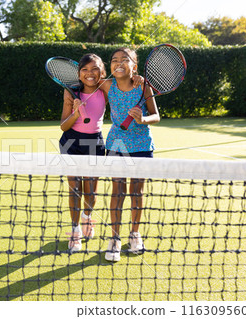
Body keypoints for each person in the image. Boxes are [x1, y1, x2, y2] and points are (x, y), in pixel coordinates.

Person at [99, 47, 160, 262]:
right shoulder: (107, 85)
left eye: (125, 60)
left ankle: (135, 234)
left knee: (137, 191)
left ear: (134, 65)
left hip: (142, 145)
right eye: (114, 60)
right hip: (117, 143)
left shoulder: (144, 86)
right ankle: (114, 238)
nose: (118, 63)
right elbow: (88, 79)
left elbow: (156, 115)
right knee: (118, 191)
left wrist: (143, 119)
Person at [59, 53, 107, 252]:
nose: (90, 73)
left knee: (91, 191)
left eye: (94, 68)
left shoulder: (105, 87)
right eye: (85, 69)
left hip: (94, 143)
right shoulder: (70, 92)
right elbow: (63, 125)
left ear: (102, 71)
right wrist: (76, 113)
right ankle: (75, 229)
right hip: (71, 141)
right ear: (79, 74)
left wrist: (136, 79)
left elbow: (126, 85)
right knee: (74, 188)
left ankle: (87, 217)